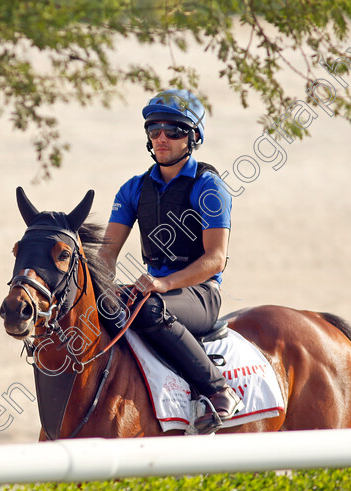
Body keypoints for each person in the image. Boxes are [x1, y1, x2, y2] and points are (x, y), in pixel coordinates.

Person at [99, 89, 243, 434]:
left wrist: (164, 283)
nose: (162, 138)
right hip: (155, 291)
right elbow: (106, 255)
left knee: (146, 307)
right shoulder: (132, 189)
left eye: (173, 131)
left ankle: (218, 390)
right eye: (154, 131)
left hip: (199, 293)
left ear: (193, 137)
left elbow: (215, 260)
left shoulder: (209, 186)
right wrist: (98, 290)